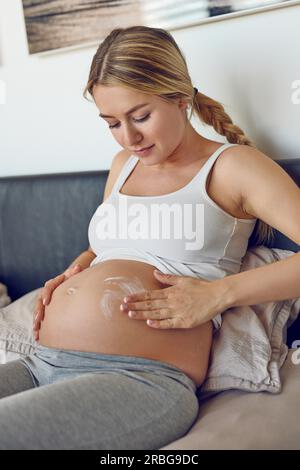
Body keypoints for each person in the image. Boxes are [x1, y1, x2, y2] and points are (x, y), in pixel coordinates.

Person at [0, 26, 299, 450]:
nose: (129, 137)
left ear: (180, 97)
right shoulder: (122, 164)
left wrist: (218, 294)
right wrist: (83, 264)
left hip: (139, 377)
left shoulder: (233, 167)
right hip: (42, 361)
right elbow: (118, 245)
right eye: (112, 123)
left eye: (140, 117)